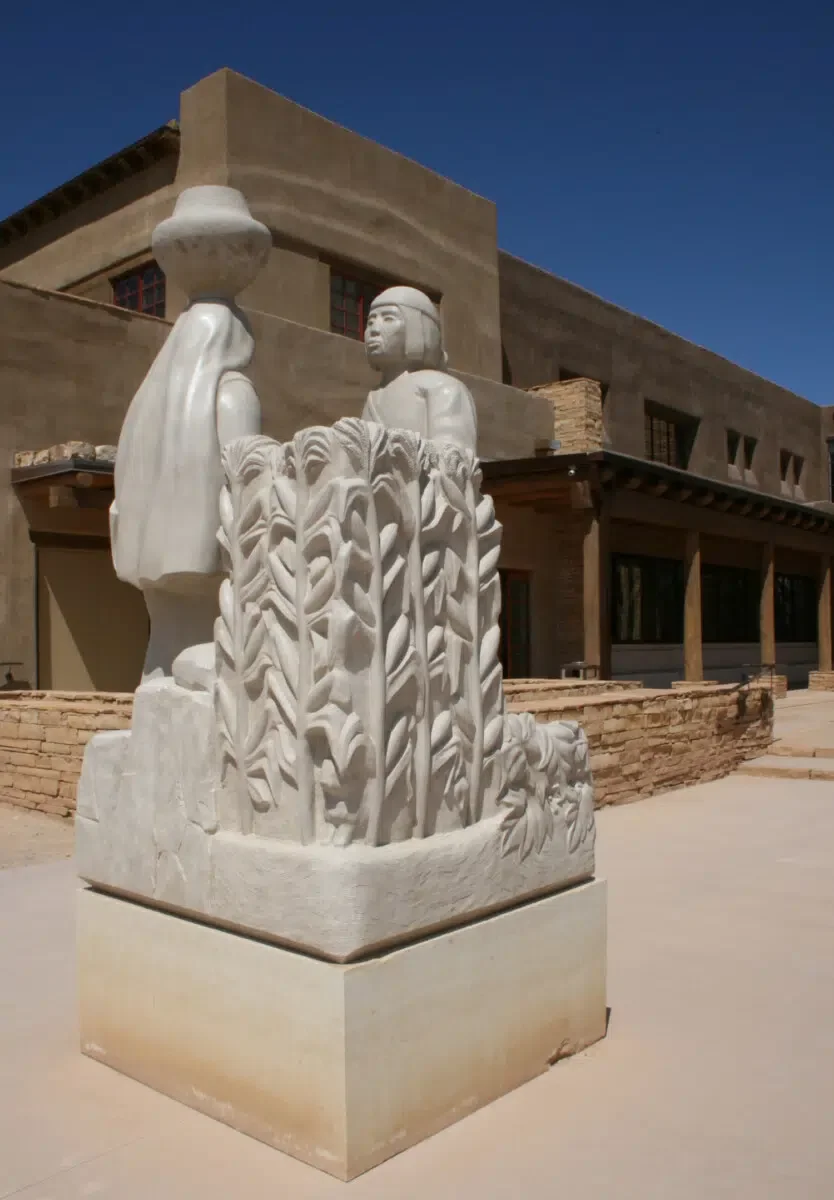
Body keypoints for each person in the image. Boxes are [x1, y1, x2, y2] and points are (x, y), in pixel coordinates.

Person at [110, 186, 270, 683]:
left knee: (161, 656)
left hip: (157, 562)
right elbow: (246, 475)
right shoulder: (230, 391)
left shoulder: (151, 396)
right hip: (208, 565)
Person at [362, 286, 477, 453]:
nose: (374, 330)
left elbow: (454, 454)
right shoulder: (373, 397)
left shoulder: (441, 387)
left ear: (417, 326)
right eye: (370, 322)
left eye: (388, 319)